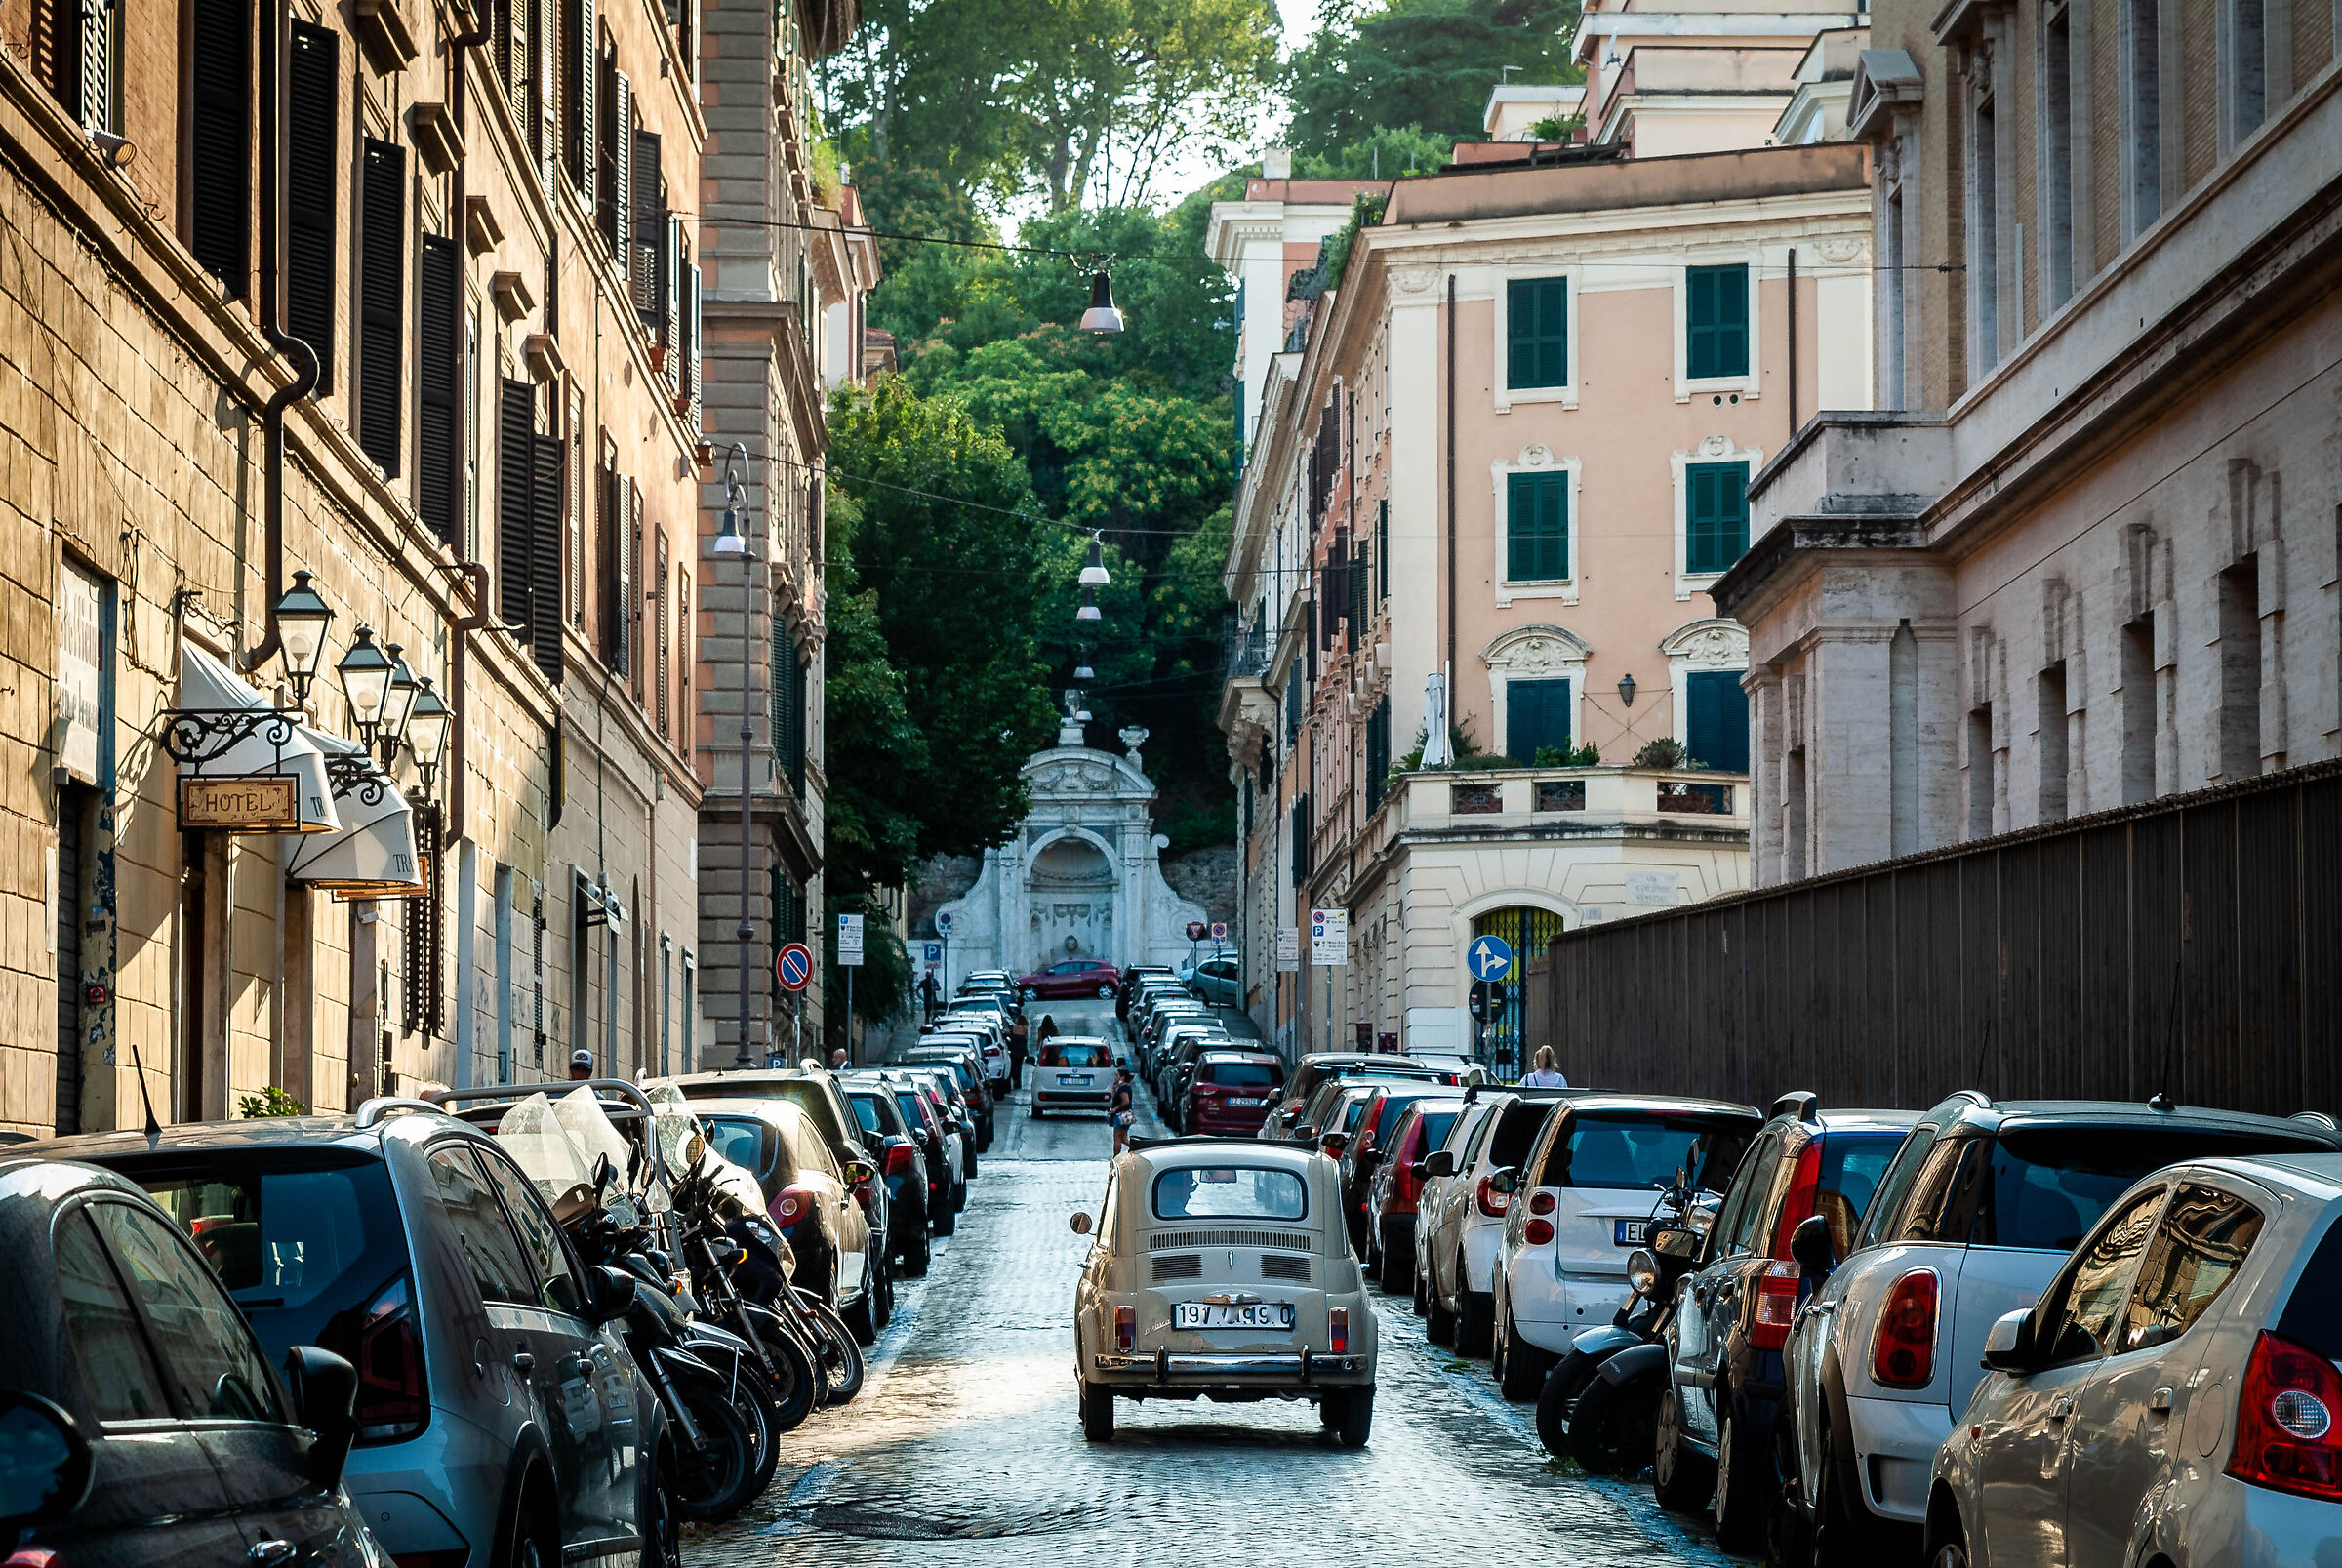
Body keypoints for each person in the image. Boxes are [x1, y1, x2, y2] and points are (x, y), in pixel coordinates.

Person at [1109, 1068, 1135, 1155]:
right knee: (1123, 1138)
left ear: (1122, 1077)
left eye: (1117, 1075)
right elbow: (1114, 1097)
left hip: (1121, 1116)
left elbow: (1126, 1101)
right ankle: (1135, 1149)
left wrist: (1115, 1109)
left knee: (1117, 1138)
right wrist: (1114, 1088)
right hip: (1124, 1116)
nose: (1115, 1077)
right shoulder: (1123, 1087)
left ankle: (1116, 1157)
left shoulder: (1124, 1088)